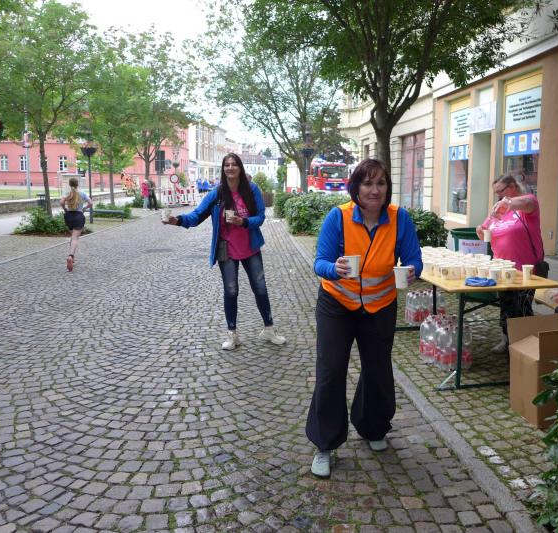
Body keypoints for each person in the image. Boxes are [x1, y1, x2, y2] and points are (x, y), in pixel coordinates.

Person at [306, 158, 422, 479]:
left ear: (387, 188)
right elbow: (319, 262)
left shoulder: (399, 219)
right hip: (337, 304)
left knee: (377, 370)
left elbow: (414, 257)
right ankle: (324, 443)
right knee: (331, 371)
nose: (375, 190)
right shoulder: (339, 217)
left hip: (380, 305)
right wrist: (335, 269)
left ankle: (373, 427)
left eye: (380, 183)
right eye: (368, 183)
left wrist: (413, 270)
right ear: (355, 187)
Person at [163, 153, 287, 350]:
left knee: (260, 288)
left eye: (234, 164)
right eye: (227, 165)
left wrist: (243, 221)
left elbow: (261, 217)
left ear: (240, 167)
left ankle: (269, 329)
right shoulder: (218, 193)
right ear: (223, 169)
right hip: (226, 248)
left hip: (250, 246)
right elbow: (197, 215)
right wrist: (177, 220)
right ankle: (232, 335)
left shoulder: (252, 189)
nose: (230, 168)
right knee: (231, 290)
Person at [476, 174, 545, 354]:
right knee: (506, 306)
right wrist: (480, 230)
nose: (498, 195)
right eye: (496, 193)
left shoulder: (528, 203)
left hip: (524, 270)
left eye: (501, 191)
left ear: (513, 186)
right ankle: (506, 339)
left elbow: (526, 203)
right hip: (502, 269)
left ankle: (525, 347)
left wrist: (508, 203)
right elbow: (484, 231)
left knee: (521, 308)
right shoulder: (498, 210)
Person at [60, 177, 93, 272]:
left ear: (69, 184)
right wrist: (84, 209)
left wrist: (65, 209)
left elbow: (61, 202)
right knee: (75, 238)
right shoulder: (82, 193)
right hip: (78, 215)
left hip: (69, 216)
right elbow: (91, 203)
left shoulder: (67, 193)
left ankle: (72, 256)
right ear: (77, 184)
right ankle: (70, 256)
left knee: (72, 237)